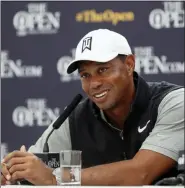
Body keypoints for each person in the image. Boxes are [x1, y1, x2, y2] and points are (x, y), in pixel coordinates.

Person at [1, 29, 184, 186]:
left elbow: (140, 173)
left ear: (129, 65)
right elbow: (35, 166)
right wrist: (11, 172)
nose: (94, 83)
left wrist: (56, 180)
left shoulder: (172, 102)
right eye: (85, 75)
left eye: (102, 70)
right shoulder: (75, 118)